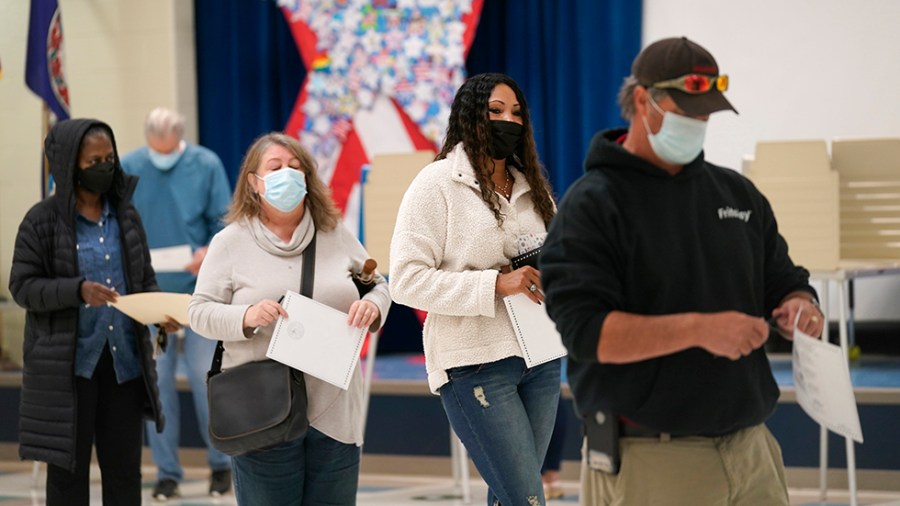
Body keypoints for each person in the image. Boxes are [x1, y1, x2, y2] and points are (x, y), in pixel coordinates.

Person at [540, 37, 826, 506]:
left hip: (752, 450)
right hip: (650, 458)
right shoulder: (592, 205)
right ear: (642, 100)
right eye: (687, 110)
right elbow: (587, 333)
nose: (698, 123)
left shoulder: (737, 195)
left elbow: (784, 277)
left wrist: (801, 305)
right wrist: (699, 329)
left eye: (706, 114)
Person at [188, 132, 390, 505]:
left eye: (296, 168)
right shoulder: (230, 242)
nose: (287, 174)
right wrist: (246, 315)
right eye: (275, 167)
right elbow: (198, 312)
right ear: (254, 182)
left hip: (334, 411)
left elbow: (378, 285)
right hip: (264, 411)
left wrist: (374, 306)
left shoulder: (335, 233)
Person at [390, 72, 560, 505]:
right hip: (476, 363)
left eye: (517, 113)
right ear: (470, 118)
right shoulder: (437, 184)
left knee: (510, 496)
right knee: (526, 497)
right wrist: (496, 284)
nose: (510, 121)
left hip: (540, 358)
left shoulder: (532, 186)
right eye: (496, 112)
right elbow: (405, 280)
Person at [9, 118, 173, 505]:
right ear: (69, 165)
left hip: (124, 368)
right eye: (93, 160)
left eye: (110, 158)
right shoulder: (41, 221)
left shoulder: (126, 217)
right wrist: (77, 290)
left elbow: (143, 279)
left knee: (124, 476)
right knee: (68, 480)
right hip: (69, 371)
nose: (105, 166)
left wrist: (160, 311)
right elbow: (23, 287)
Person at [120, 107, 233, 500]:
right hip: (151, 295)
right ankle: (167, 472)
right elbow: (120, 223)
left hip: (199, 294)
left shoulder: (205, 164)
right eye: (156, 149)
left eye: (169, 149)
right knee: (158, 387)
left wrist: (208, 251)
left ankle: (221, 467)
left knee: (208, 381)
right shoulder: (130, 166)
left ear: (180, 140)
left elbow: (225, 222)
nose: (162, 156)